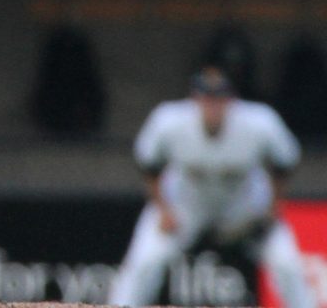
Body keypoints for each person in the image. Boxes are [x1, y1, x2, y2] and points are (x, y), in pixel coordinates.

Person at [111, 67, 313, 308]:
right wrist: (162, 208)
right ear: (194, 98)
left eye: (219, 97)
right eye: (206, 97)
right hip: (186, 205)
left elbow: (284, 162)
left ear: (231, 100)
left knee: (287, 263)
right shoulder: (169, 120)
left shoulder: (260, 122)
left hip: (244, 207)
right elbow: (148, 164)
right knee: (145, 261)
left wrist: (273, 205)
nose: (213, 104)